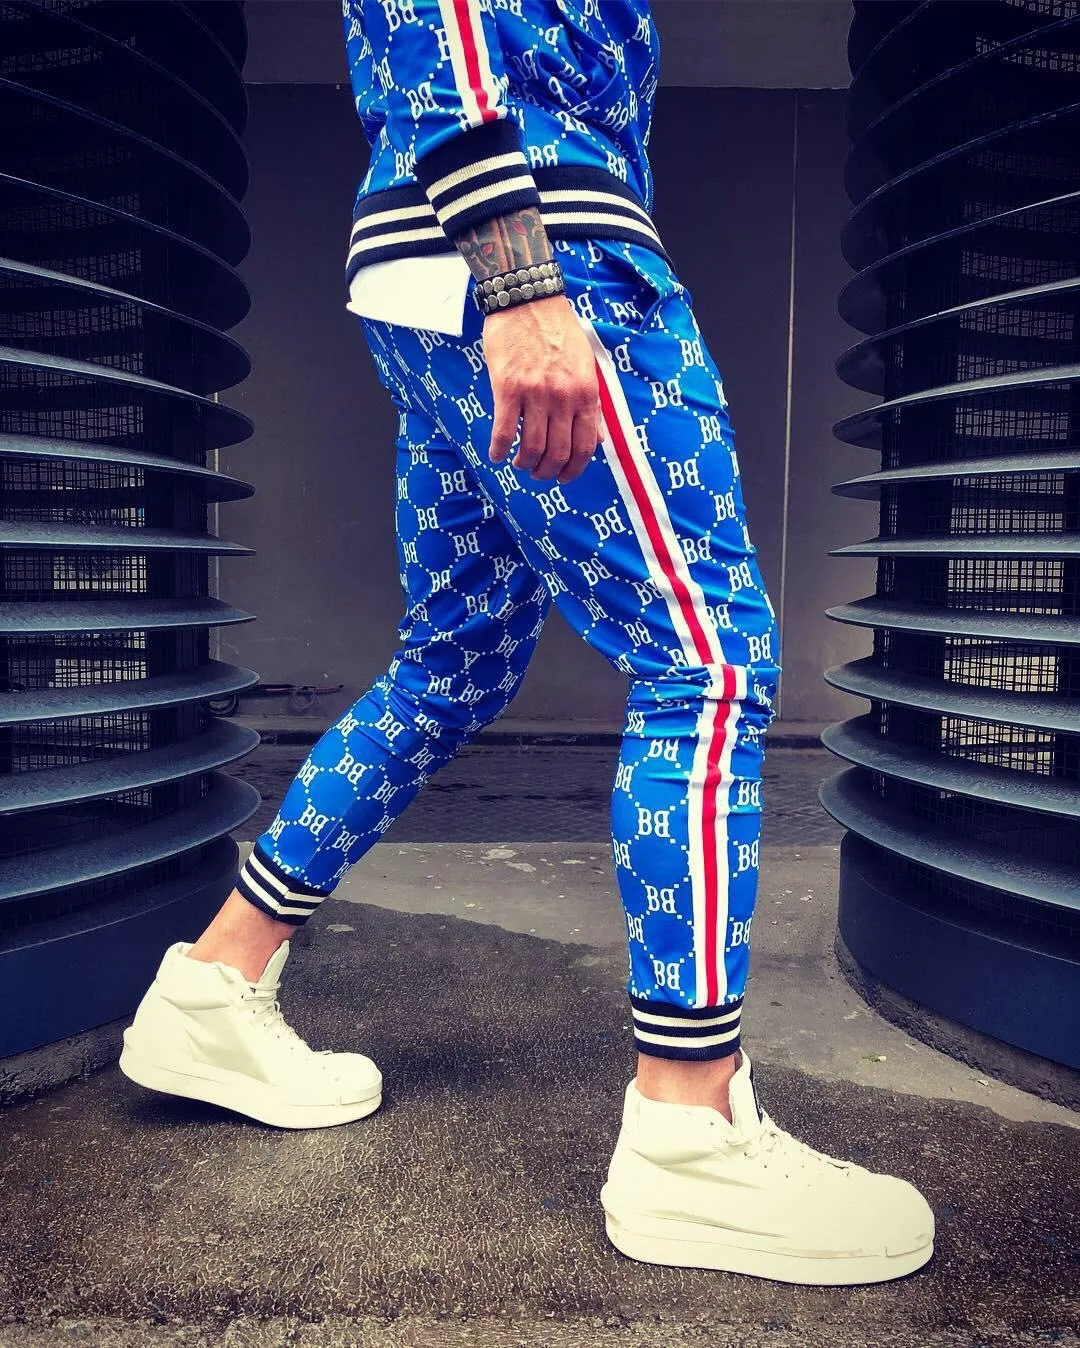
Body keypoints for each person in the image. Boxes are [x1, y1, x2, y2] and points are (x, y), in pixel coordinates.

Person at [119, 0, 934, 1285]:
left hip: (424, 267)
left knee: (452, 660)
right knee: (708, 662)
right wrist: (522, 281)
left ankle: (213, 986)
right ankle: (690, 1137)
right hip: (536, 250)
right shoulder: (526, 262)